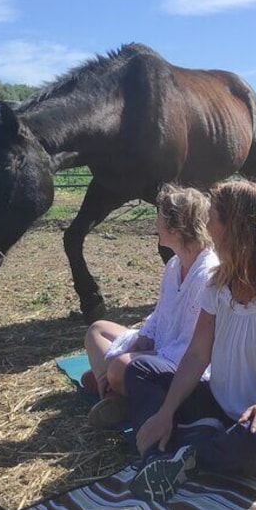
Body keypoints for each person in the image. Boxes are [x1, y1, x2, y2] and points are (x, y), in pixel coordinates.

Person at [124, 180, 256, 504]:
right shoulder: (219, 282)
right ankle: (177, 446)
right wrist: (166, 410)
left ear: (234, 226)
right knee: (141, 371)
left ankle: (178, 452)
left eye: (213, 217)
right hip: (223, 406)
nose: (205, 225)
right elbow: (197, 354)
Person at [83, 184, 219, 429]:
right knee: (97, 330)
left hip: (184, 363)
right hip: (163, 345)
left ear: (176, 227)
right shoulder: (175, 264)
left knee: (120, 366)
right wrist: (143, 338)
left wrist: (139, 356)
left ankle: (112, 388)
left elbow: (192, 348)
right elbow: (160, 314)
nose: (156, 223)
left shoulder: (206, 274)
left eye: (160, 217)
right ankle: (115, 393)